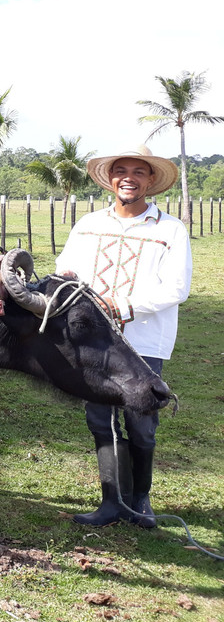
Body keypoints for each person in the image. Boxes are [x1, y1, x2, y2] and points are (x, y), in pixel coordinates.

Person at [56, 145, 192, 529]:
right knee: (100, 419)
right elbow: (66, 270)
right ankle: (112, 501)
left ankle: (141, 500)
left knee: (142, 423)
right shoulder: (87, 225)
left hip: (144, 341)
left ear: (150, 180)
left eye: (138, 171)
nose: (128, 177)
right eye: (120, 170)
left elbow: (176, 288)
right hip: (94, 344)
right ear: (110, 178)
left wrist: (122, 307)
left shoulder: (170, 230)